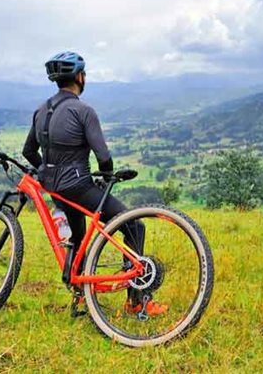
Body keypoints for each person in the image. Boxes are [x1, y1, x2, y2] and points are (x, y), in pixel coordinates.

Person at [22, 51, 167, 317]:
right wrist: (106, 174)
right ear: (79, 77)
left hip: (55, 189)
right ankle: (136, 302)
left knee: (78, 238)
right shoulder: (83, 110)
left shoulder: (41, 110)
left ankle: (79, 297)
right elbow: (103, 157)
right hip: (79, 186)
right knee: (134, 225)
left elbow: (28, 152)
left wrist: (47, 170)